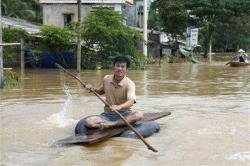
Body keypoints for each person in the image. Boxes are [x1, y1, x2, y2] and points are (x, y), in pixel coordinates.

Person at [84, 56, 143, 129]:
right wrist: (92, 88)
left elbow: (131, 101)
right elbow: (100, 91)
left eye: (122, 67)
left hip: (124, 114)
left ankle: (112, 124)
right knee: (88, 121)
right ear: (114, 67)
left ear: (126, 69)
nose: (119, 68)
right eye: (117, 66)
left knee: (139, 115)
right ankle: (107, 124)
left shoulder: (130, 84)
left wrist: (119, 107)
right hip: (108, 115)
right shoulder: (106, 79)